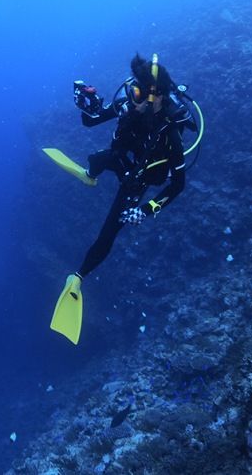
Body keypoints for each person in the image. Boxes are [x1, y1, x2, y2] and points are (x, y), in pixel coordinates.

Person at [45, 53, 203, 344]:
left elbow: (178, 184)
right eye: (133, 88)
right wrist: (86, 106)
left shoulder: (170, 133)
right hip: (124, 159)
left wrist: (147, 209)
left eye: (140, 92)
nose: (133, 95)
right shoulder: (129, 101)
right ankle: (90, 175)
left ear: (157, 97)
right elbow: (92, 122)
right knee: (100, 158)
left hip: (142, 177)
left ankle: (78, 278)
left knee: (110, 229)